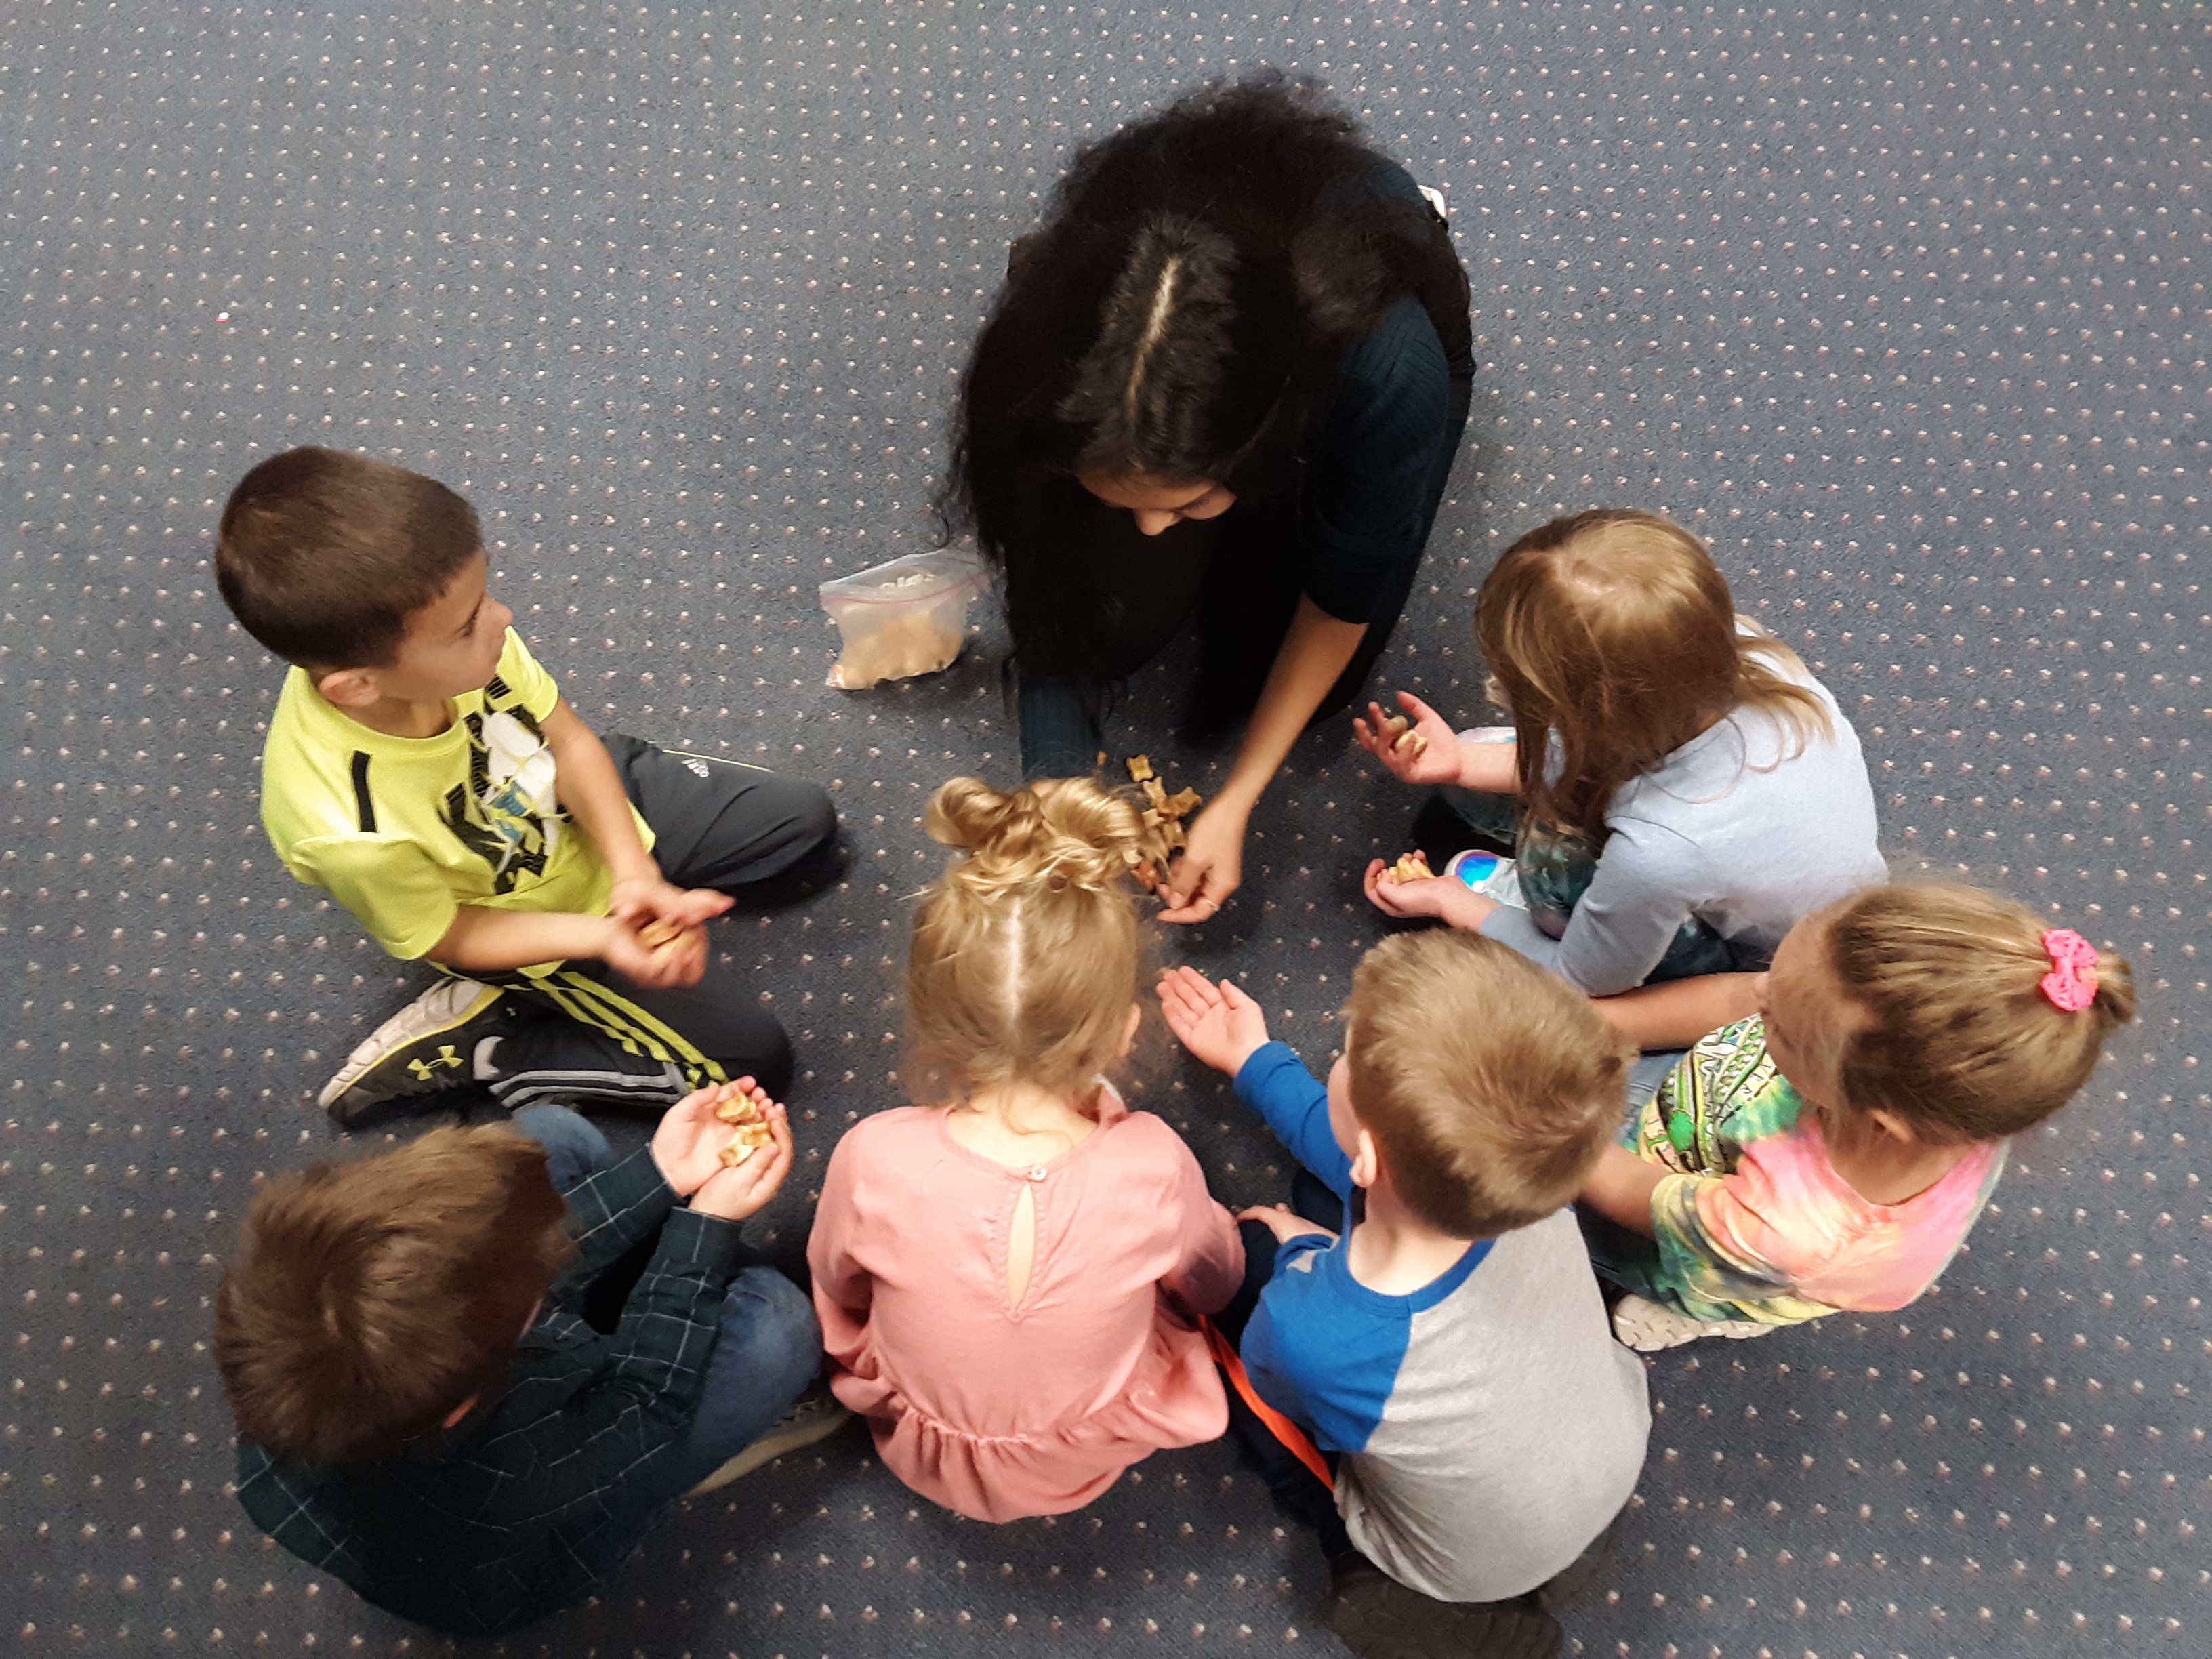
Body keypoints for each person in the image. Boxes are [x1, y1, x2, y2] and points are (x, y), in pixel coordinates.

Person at [943, 72, 1476, 926]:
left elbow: (1346, 591)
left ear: (1258, 442)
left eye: (1183, 504)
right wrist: (1057, 799)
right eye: (1123, 497)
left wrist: (1236, 800)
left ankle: (1421, 212)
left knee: (1291, 676)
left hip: (1373, 281)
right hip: (1196, 289)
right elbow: (1050, 594)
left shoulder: (1387, 370)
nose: (1151, 528)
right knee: (1115, 624)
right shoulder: (1045, 350)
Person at [213, 447, 841, 1123]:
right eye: (468, 624)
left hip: (563, 794)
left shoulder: (457, 636)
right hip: (522, 914)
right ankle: (494, 1041)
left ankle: (632, 863)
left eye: (484, 598)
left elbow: (569, 739)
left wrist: (633, 871)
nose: (503, 619)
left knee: (802, 824)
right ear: (358, 687)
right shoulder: (346, 828)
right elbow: (448, 934)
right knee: (751, 1066)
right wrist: (602, 935)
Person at [1156, 931, 1651, 1658]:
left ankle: (1452, 1623)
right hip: (1602, 1453)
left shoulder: (1309, 1331)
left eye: (1345, 1056)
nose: (1337, 1057)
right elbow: (1367, 1162)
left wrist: (1296, 1250)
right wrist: (1253, 1061)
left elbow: (1291, 1392)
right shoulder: (1527, 1185)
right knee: (1308, 1194)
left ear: (1371, 1159)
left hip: (1458, 1567)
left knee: (1240, 1291)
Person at [213, 1082, 846, 1637]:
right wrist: (702, 1227)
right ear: (468, 1399)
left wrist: (662, 1173)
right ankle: (684, 1459)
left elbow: (504, 1267)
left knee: (550, 1136)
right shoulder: (517, 1467)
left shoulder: (293, 1355)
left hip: (463, 1432)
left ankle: (633, 1278)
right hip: (545, 1516)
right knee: (777, 1333)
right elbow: (646, 1400)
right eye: (536, 1294)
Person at [806, 776, 1245, 1522]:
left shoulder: (870, 1154)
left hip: (927, 1442)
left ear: (933, 1025)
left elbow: (839, 1280)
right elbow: (1214, 1285)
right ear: (1124, 1033)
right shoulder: (1154, 1163)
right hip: (1079, 1448)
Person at [1357, 507, 1885, 1050]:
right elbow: (1615, 752)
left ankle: (1551, 906)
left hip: (1763, 961)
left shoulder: (1661, 852)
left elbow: (1581, 979)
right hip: (1802, 895)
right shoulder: (1748, 652)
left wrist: (1454, 903)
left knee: (1552, 861)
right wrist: (1463, 765)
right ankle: (1595, 900)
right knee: (1472, 758)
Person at [1577, 884, 2137, 1351]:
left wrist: (1537, 1119)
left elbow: (1635, 1196)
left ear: (1878, 1117)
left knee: (1624, 1251)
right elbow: (1742, 1002)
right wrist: (1590, 1021)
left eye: (1780, 1025)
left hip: (1716, 1236)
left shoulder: (1790, 1229)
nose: (1760, 992)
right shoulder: (1944, 1087)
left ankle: (1714, 1313)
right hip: (1707, 1143)